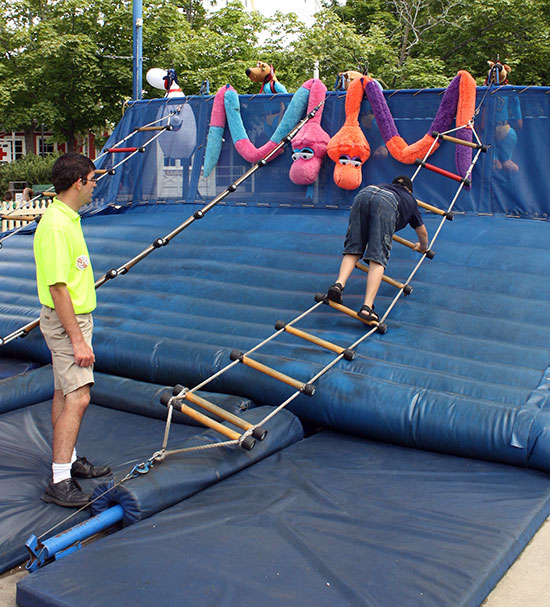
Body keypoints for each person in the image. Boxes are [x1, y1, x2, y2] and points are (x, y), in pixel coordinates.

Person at [33, 153, 110, 508]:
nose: (95, 186)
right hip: (68, 323)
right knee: (80, 396)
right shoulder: (56, 225)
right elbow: (58, 288)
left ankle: (70, 459)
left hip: (73, 320)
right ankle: (60, 479)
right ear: (79, 181)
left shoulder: (67, 219)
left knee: (64, 392)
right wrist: (77, 340)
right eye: (93, 180)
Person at [327, 176, 429, 322]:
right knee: (378, 256)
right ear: (410, 191)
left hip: (365, 192)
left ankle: (338, 285)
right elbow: (422, 232)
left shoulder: (384, 184)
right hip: (387, 202)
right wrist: (422, 247)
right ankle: (367, 307)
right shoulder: (410, 201)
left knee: (353, 247)